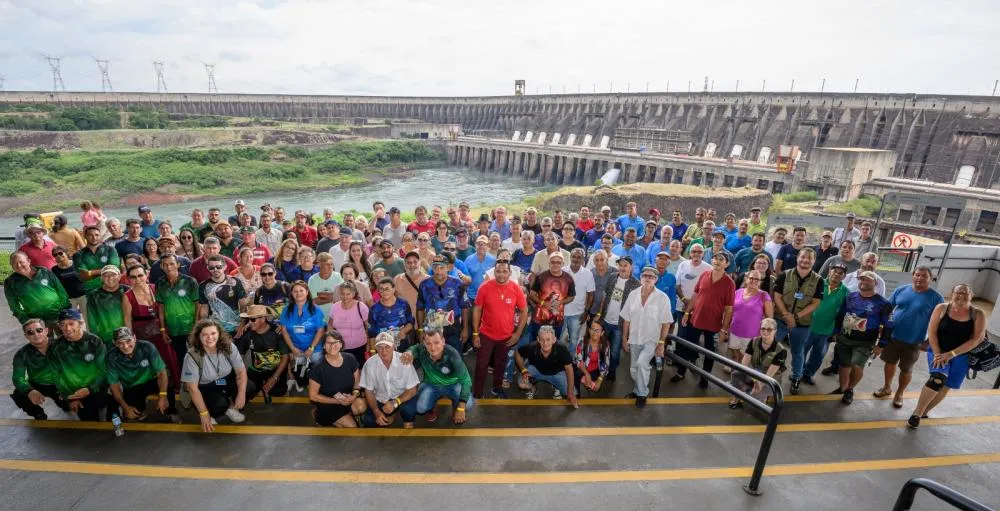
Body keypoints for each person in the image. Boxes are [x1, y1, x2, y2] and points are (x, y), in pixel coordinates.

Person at [907, 284, 986, 429]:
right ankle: (916, 414)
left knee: (946, 386)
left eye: (965, 292)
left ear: (971, 295)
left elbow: (976, 339)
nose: (961, 295)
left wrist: (952, 354)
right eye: (958, 292)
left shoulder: (978, 314)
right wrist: (938, 354)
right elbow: (932, 333)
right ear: (952, 293)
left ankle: (924, 411)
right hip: (938, 350)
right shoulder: (942, 308)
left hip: (961, 355)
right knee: (937, 379)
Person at [876, 267, 944, 408]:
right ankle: (887, 387)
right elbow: (888, 308)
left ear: (930, 279)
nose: (920, 278)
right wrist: (882, 327)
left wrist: (928, 341)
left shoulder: (936, 298)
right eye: (917, 275)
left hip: (914, 341)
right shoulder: (901, 290)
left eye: (924, 276)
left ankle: (900, 393)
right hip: (893, 336)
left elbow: (939, 322)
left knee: (906, 369)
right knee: (889, 364)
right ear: (913, 276)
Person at [831, 271, 891, 405]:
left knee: (857, 365)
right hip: (845, 337)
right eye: (861, 279)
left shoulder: (883, 303)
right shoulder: (850, 296)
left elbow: (888, 325)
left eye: (868, 280)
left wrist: (881, 344)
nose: (863, 282)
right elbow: (841, 314)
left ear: (875, 283)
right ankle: (842, 388)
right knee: (844, 364)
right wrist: (836, 332)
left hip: (865, 342)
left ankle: (850, 390)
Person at [675, 253, 734, 388]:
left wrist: (724, 329)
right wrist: (686, 313)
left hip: (713, 324)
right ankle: (681, 372)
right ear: (711, 260)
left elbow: (729, 309)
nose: (717, 262)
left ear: (727, 264)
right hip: (695, 320)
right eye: (715, 259)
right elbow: (695, 295)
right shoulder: (704, 275)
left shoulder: (729, 283)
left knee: (709, 352)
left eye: (721, 260)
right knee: (688, 346)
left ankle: (705, 377)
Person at [182, 319, 253, 432]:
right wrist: (204, 413)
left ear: (219, 334)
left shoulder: (228, 346)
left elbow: (241, 372)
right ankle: (210, 411)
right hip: (205, 386)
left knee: (249, 387)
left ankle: (231, 408)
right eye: (204, 335)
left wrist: (241, 394)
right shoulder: (192, 356)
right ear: (198, 337)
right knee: (219, 405)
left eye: (213, 333)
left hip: (225, 380)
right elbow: (192, 388)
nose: (210, 338)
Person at [472, 260, 528, 398]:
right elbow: (477, 309)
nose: (501, 274)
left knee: (500, 364)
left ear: (509, 272)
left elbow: (524, 310)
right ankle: (477, 392)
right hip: (486, 334)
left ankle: (497, 388)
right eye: (498, 271)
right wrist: (475, 333)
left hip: (506, 336)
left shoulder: (516, 288)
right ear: (494, 272)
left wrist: (517, 334)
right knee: (481, 364)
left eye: (504, 271)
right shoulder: (484, 287)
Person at [772, 248, 823, 395]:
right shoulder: (784, 275)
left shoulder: (818, 280)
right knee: (771, 346)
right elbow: (777, 296)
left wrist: (796, 317)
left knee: (798, 351)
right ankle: (764, 373)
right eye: (802, 257)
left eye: (809, 258)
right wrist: (786, 315)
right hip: (780, 319)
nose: (805, 260)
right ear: (797, 258)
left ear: (814, 261)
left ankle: (796, 378)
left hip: (802, 323)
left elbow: (815, 303)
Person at [621, 266, 672, 407]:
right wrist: (624, 338)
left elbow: (666, 322)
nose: (648, 278)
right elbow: (626, 319)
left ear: (656, 280)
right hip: (634, 338)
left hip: (652, 340)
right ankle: (637, 390)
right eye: (645, 276)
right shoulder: (633, 294)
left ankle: (642, 394)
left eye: (651, 276)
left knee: (642, 364)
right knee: (633, 369)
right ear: (641, 278)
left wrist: (661, 343)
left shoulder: (662, 298)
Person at [401, 328, 473, 424]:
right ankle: (431, 407)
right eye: (429, 343)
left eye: (436, 342)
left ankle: (456, 407)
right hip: (431, 385)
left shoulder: (453, 354)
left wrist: (461, 408)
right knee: (421, 408)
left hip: (454, 384)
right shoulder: (422, 349)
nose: (433, 347)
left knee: (467, 405)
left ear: (443, 341)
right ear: (424, 343)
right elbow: (413, 348)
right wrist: (408, 352)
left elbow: (466, 380)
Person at [106, 326, 178, 422]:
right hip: (131, 386)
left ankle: (172, 411)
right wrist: (125, 407)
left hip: (151, 381)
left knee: (169, 384)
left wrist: (163, 395)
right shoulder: (111, 356)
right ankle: (139, 410)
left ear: (135, 338)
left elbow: (161, 372)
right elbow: (114, 385)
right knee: (135, 414)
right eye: (120, 343)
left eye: (128, 341)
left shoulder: (147, 346)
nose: (126, 346)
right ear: (114, 343)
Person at [51, 308, 110, 422]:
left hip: (96, 388)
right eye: (63, 325)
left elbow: (103, 369)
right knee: (90, 421)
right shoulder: (55, 347)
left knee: (104, 405)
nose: (67, 328)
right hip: (75, 392)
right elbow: (56, 375)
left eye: (71, 323)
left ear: (80, 323)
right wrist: (70, 397)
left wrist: (91, 389)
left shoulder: (94, 341)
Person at [801, 262, 849, 386]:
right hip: (808, 326)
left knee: (818, 356)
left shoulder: (845, 292)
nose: (837, 274)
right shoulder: (817, 283)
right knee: (801, 352)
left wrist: (837, 331)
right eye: (835, 271)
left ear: (844, 276)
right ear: (829, 272)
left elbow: (844, 314)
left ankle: (807, 374)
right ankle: (797, 373)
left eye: (841, 273)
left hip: (827, 330)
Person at [155, 254, 199, 386]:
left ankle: (200, 383)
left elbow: (198, 305)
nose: (169, 267)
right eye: (165, 264)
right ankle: (187, 383)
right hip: (173, 329)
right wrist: (163, 329)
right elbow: (161, 308)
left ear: (178, 264)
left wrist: (195, 327)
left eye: (172, 263)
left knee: (196, 356)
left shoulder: (190, 281)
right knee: (181, 356)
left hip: (191, 328)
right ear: (161, 267)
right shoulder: (160, 283)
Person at [359, 332, 420, 428]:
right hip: (381, 398)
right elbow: (369, 391)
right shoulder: (369, 364)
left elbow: (412, 389)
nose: (384, 351)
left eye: (387, 346)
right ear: (376, 349)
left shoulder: (404, 360)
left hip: (401, 397)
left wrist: (395, 403)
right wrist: (376, 412)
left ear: (394, 347)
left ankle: (407, 420)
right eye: (380, 347)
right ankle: (391, 414)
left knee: (408, 411)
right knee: (369, 422)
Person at [11, 319, 68, 420]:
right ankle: (37, 413)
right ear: (26, 336)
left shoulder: (62, 346)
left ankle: (64, 403)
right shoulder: (22, 354)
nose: (36, 334)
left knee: (69, 406)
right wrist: (30, 391)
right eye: (30, 332)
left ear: (46, 331)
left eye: (39, 330)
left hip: (63, 383)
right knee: (19, 394)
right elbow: (17, 378)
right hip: (40, 384)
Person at [595, 256, 640, 381]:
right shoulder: (612, 277)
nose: (622, 268)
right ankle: (601, 368)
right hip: (605, 321)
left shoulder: (636, 284)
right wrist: (599, 314)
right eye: (620, 265)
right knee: (602, 347)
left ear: (631, 267)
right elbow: (605, 296)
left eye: (625, 265)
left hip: (620, 325)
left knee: (615, 352)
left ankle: (612, 371)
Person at [727, 318, 788, 409]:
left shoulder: (781, 350)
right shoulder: (754, 341)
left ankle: (763, 395)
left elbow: (769, 374)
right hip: (755, 373)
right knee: (736, 374)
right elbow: (744, 363)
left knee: (754, 400)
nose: (765, 331)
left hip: (770, 378)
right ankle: (737, 396)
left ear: (775, 331)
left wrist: (759, 384)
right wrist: (752, 380)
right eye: (763, 328)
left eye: (769, 329)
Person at [515, 325, 579, 407]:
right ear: (538, 339)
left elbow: (569, 370)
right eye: (542, 340)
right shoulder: (532, 347)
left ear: (554, 340)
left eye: (548, 339)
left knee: (572, 393)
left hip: (557, 374)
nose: (545, 343)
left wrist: (570, 393)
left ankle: (556, 386)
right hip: (537, 371)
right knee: (521, 383)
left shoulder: (562, 349)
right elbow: (517, 353)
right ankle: (532, 388)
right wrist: (523, 370)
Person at [235, 304, 289, 401]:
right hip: (256, 370)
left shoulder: (277, 332)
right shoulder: (247, 333)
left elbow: (285, 357)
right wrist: (241, 377)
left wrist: (274, 378)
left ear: (263, 319)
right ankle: (260, 384)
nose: (249, 323)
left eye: (253, 320)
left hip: (274, 369)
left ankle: (268, 383)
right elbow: (239, 356)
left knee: (279, 391)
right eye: (248, 320)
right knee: (248, 390)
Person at [417, 254, 469, 354]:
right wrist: (420, 330)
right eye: (436, 268)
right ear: (432, 268)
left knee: (455, 355)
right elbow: (420, 308)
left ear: (448, 268)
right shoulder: (424, 285)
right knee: (433, 356)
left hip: (453, 326)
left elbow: (465, 307)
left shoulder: (457, 283)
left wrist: (465, 328)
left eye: (442, 267)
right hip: (431, 327)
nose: (439, 271)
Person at [5, 251, 70, 328]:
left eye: (21, 262)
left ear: (28, 261)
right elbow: (14, 305)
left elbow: (61, 291)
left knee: (66, 337)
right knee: (43, 340)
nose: (18, 265)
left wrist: (65, 310)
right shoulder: (10, 282)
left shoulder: (44, 271)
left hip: (58, 316)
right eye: (14, 264)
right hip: (37, 321)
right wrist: (26, 320)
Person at [723, 269, 773, 369]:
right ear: (746, 279)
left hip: (751, 335)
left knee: (744, 358)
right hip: (734, 331)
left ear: (760, 282)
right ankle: (734, 370)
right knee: (734, 353)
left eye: (757, 279)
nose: (754, 281)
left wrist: (767, 334)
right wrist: (725, 327)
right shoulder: (738, 292)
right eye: (751, 278)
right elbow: (730, 311)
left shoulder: (764, 295)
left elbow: (769, 317)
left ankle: (738, 376)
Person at [279, 280, 327, 365]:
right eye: (295, 291)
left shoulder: (316, 309)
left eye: (301, 290)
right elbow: (284, 330)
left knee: (317, 373)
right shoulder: (286, 310)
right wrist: (292, 348)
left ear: (307, 292)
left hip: (314, 349)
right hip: (296, 349)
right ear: (292, 294)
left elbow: (321, 330)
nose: (298, 293)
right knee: (299, 373)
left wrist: (311, 348)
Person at [198, 255, 248, 335]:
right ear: (208, 268)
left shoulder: (235, 282)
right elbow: (204, 309)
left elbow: (243, 305)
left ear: (224, 267)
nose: (215, 270)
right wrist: (204, 327)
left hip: (235, 326)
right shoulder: (203, 285)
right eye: (212, 267)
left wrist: (242, 325)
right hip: (215, 328)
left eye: (218, 267)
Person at [328, 281, 370, 363]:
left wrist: (369, 345)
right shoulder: (335, 307)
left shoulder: (361, 307)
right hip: (340, 347)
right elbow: (330, 324)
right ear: (339, 294)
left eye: (348, 294)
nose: (345, 297)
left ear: (353, 294)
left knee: (359, 370)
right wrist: (330, 341)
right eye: (342, 294)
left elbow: (368, 327)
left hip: (360, 347)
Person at [368, 278, 415, 351]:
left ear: (393, 289)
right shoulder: (374, 309)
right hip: (383, 348)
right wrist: (373, 352)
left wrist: (403, 331)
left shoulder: (403, 304)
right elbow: (371, 333)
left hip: (403, 344)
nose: (384, 292)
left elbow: (410, 322)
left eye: (387, 289)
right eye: (381, 289)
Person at [85, 265, 127, 345]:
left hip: (127, 335)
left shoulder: (127, 291)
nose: (110, 278)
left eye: (113, 274)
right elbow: (92, 319)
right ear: (101, 278)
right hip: (106, 337)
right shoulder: (94, 295)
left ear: (119, 276)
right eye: (106, 275)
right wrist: (96, 337)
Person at [562, 248, 594, 351]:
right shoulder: (563, 271)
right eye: (574, 257)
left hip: (578, 313)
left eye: (579, 257)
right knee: (559, 339)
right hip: (561, 312)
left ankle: (571, 362)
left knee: (574, 340)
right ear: (570, 257)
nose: (576, 259)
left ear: (583, 259)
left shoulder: (588, 274)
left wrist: (586, 312)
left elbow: (591, 294)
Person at [75, 224, 121, 293]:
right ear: (85, 236)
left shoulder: (110, 250)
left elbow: (113, 269)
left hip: (111, 288)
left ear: (100, 236)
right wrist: (105, 271)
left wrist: (90, 273)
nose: (94, 237)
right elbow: (83, 276)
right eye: (90, 235)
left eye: (97, 235)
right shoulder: (78, 255)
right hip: (91, 291)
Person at [675, 244, 711, 324]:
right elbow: (677, 285)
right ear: (689, 253)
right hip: (682, 305)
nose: (696, 254)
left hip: (698, 307)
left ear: (703, 254)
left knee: (693, 334)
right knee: (681, 333)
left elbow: (707, 291)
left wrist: (692, 304)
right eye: (693, 251)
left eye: (699, 252)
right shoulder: (683, 264)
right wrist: (684, 300)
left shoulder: (709, 268)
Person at [574, 320, 610, 397]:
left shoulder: (605, 344)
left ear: (602, 333)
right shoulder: (582, 341)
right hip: (582, 369)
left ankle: (588, 382)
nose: (594, 332)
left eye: (597, 330)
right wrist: (587, 374)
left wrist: (599, 380)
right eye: (592, 329)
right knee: (576, 373)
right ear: (589, 330)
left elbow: (606, 363)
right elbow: (579, 361)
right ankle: (576, 392)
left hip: (595, 370)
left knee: (596, 388)